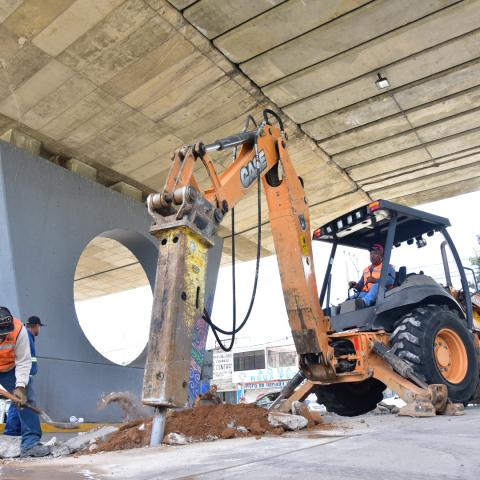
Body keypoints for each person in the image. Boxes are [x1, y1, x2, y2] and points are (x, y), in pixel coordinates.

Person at [0, 308, 50, 457]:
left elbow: (23, 361)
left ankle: (30, 445)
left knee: (27, 399)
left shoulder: (19, 330)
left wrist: (20, 386)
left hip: (10, 368)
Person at [5, 315, 45, 441]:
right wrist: (29, 374)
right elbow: (29, 358)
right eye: (40, 327)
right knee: (19, 403)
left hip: (19, 372)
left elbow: (24, 358)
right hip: (21, 373)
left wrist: (22, 382)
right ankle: (13, 433)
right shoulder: (28, 334)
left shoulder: (22, 332)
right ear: (37, 326)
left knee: (18, 401)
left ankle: (13, 434)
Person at [349, 244, 395, 309]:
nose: (372, 255)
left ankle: (365, 302)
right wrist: (355, 285)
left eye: (375, 253)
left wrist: (375, 280)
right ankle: (340, 307)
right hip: (366, 294)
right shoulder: (366, 270)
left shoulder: (387, 266)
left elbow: (391, 280)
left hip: (381, 293)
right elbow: (361, 285)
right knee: (355, 296)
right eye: (371, 253)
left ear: (381, 255)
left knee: (376, 286)